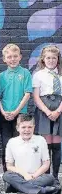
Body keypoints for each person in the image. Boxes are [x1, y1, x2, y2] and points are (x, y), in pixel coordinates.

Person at [3, 114, 61, 194]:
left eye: (30, 127)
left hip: (37, 176)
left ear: (34, 127)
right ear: (17, 128)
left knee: (50, 178)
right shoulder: (11, 142)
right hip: (20, 176)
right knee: (7, 175)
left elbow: (46, 164)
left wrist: (33, 176)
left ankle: (17, 187)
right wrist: (25, 174)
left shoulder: (41, 140)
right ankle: (42, 190)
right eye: (23, 127)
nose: (27, 130)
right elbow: (9, 166)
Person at [0, 44, 32, 171]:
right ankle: (7, 174)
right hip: (5, 114)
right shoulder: (2, 76)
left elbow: (27, 93)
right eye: (9, 57)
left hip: (20, 114)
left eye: (15, 56)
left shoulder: (25, 73)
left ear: (20, 57)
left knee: (21, 144)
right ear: (4, 59)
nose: (12, 59)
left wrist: (16, 111)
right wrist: (3, 111)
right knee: (7, 144)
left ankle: (21, 172)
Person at [32, 45, 62, 179]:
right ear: (43, 59)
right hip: (43, 111)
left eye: (54, 58)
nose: (51, 60)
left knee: (56, 143)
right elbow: (36, 97)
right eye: (48, 58)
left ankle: (55, 176)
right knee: (46, 144)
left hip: (59, 110)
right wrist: (47, 111)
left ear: (58, 59)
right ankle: (46, 176)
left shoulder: (61, 75)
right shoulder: (38, 75)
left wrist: (58, 111)